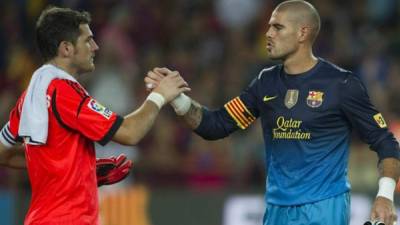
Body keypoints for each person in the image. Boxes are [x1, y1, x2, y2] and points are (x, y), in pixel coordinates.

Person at [145, 1, 400, 225]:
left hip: (323, 208)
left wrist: (385, 196)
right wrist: (176, 98)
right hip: (276, 210)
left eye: (277, 27)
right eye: (269, 26)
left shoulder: (341, 84)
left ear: (303, 32)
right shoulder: (265, 83)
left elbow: (386, 143)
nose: (268, 33)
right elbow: (217, 125)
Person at [0, 6, 189, 225]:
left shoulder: (30, 96)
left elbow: (4, 154)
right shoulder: (65, 92)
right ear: (67, 48)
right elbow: (130, 133)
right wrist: (159, 95)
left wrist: (83, 169)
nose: (95, 47)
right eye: (88, 40)